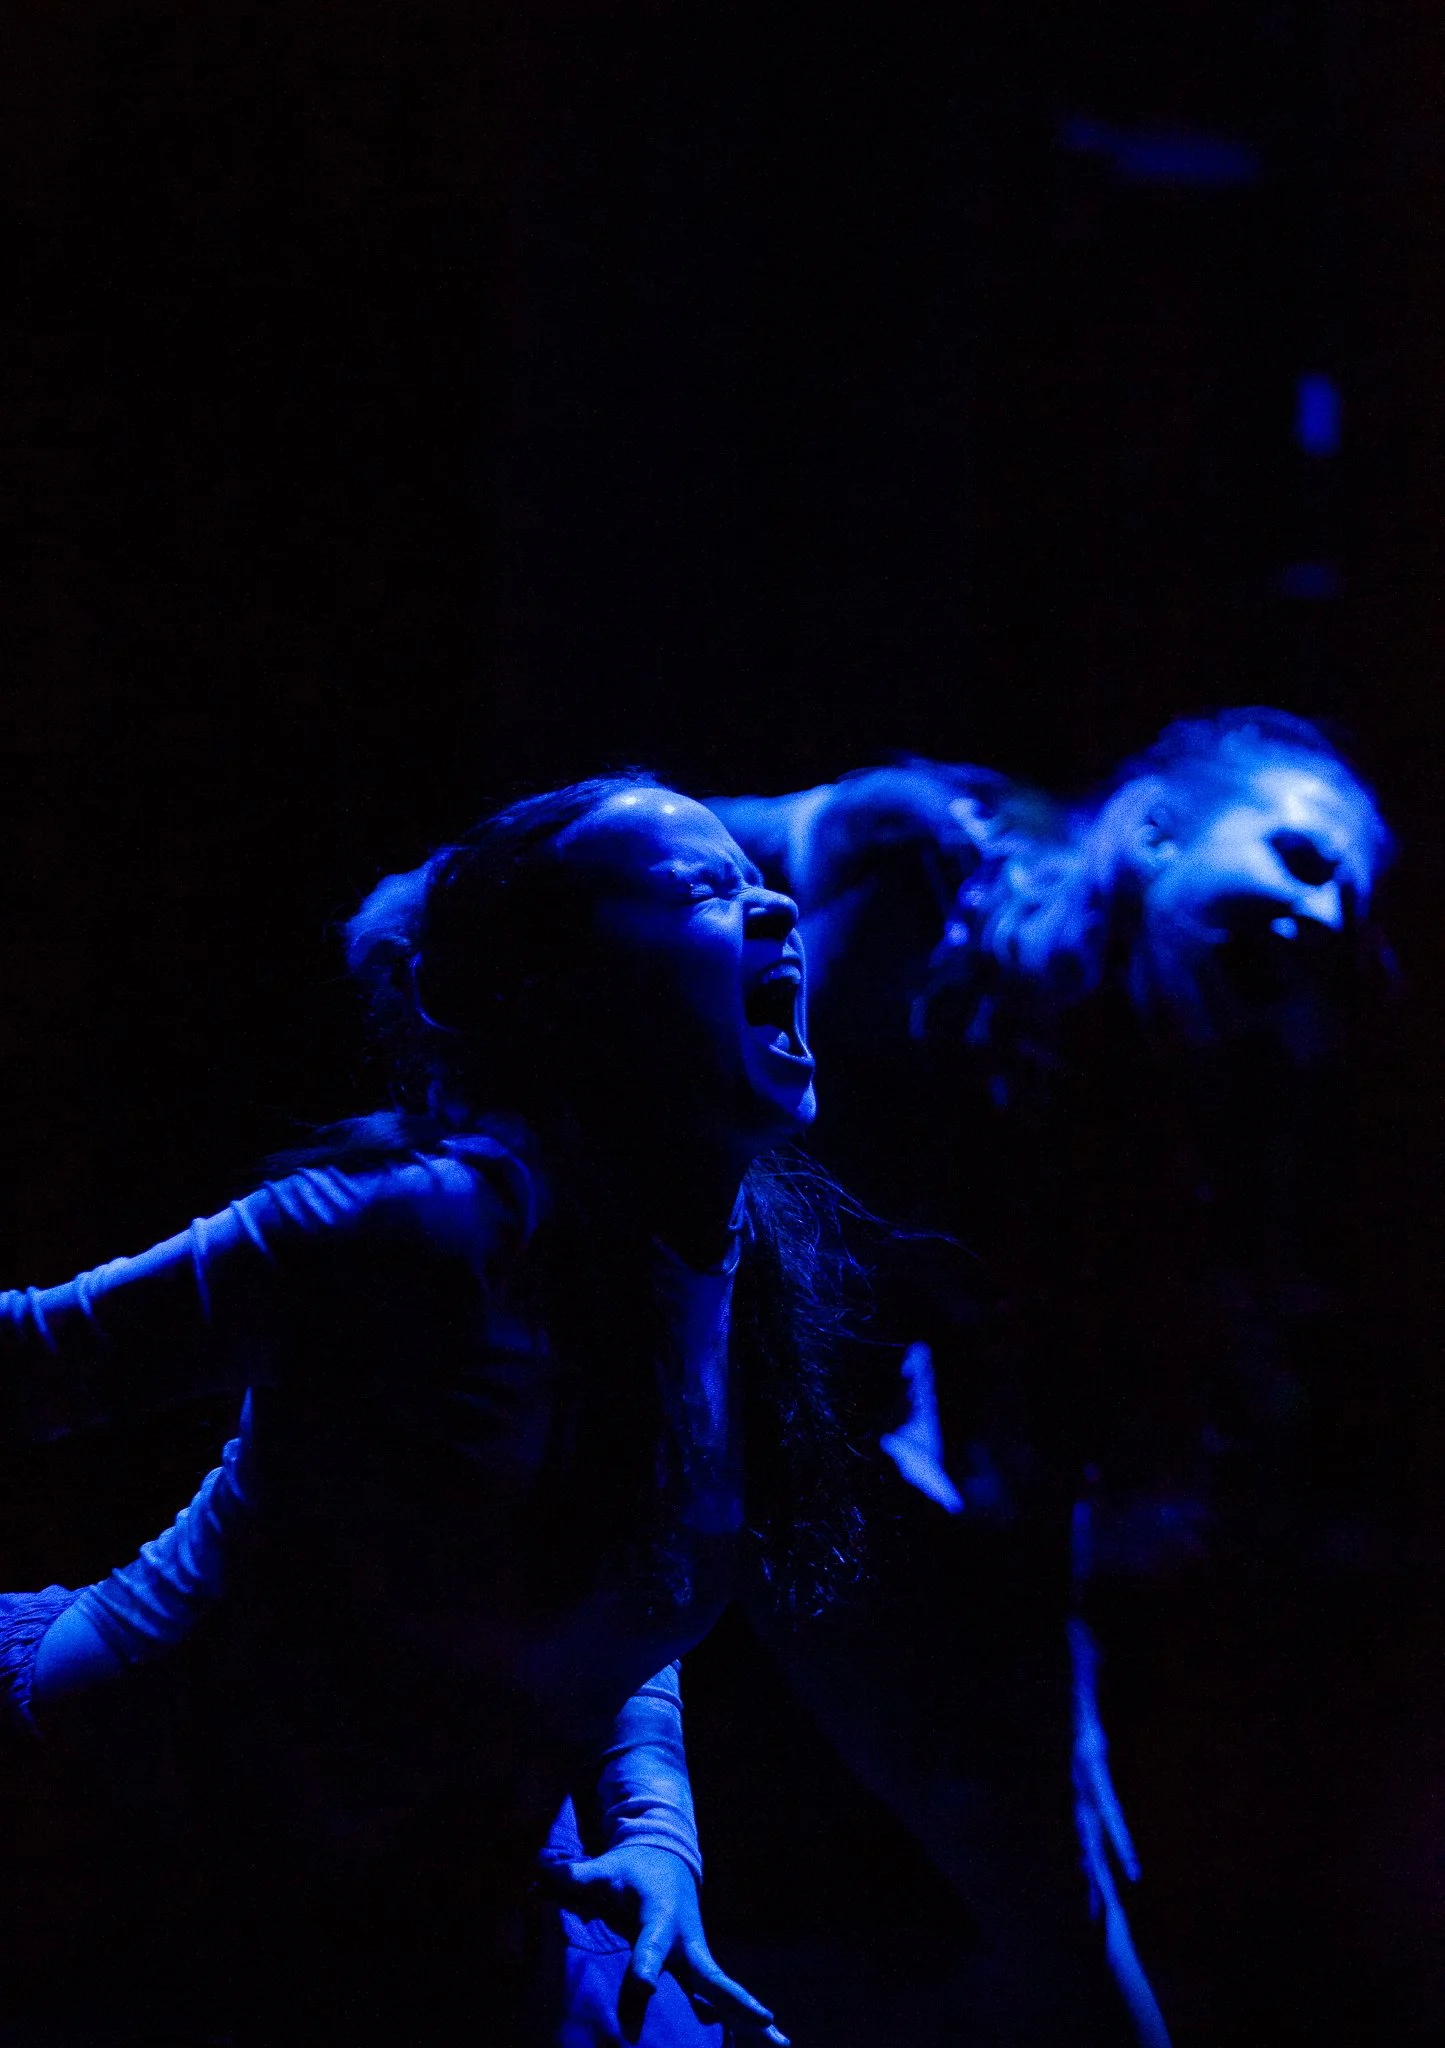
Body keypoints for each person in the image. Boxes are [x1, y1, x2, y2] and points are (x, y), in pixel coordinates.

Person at [0, 773, 866, 2046]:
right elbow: (29, 1361)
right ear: (558, 991)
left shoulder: (737, 1270)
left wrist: (654, 1834)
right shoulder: (419, 1225)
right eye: (700, 887)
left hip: (431, 1910)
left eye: (754, 875)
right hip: (130, 1845)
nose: (774, 904)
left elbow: (618, 1583)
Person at [717, 711, 1402, 2043]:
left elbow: (1038, 1424)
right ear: (1150, 831)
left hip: (770, 1401)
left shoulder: (1116, 1082)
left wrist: (1056, 1698)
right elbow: (779, 1202)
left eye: (1350, 905)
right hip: (590, 1304)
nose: (1325, 917)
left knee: (1036, 1858)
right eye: (1303, 857)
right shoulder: (920, 860)